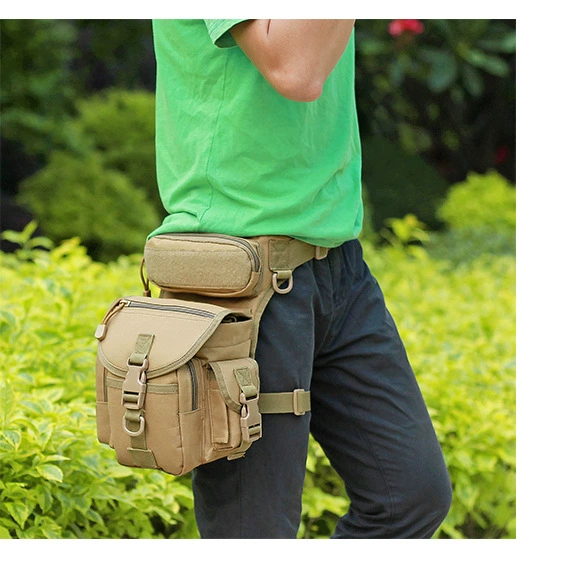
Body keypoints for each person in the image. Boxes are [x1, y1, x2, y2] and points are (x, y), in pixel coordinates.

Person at [149, 19, 452, 539]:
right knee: (254, 535)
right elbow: (295, 70)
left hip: (336, 261)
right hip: (242, 276)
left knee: (409, 498)